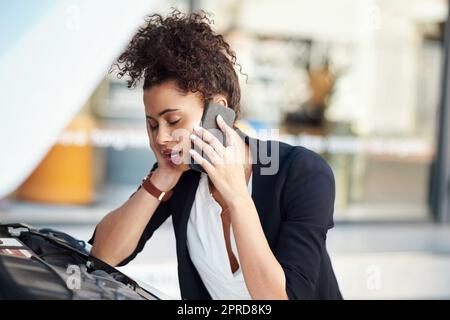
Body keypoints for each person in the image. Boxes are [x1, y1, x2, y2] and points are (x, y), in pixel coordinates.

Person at [88, 9, 342, 300]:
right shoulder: (179, 175)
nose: (161, 137)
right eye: (152, 124)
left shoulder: (302, 173)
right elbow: (104, 255)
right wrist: (162, 177)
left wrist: (236, 195)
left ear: (217, 111)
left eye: (173, 121)